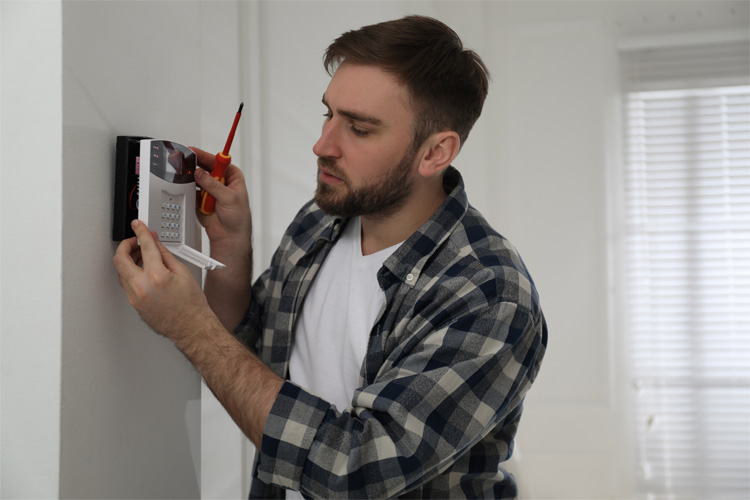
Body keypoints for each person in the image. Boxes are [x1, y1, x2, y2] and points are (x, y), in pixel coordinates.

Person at [114, 15, 547, 499]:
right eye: (328, 115)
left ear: (436, 153)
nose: (322, 145)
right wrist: (232, 248)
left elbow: (351, 470)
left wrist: (189, 327)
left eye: (359, 129)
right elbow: (245, 349)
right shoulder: (321, 220)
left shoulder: (488, 295)